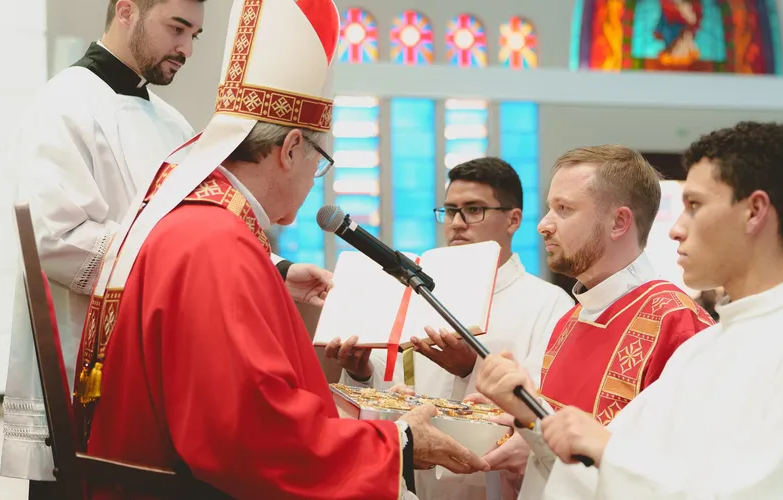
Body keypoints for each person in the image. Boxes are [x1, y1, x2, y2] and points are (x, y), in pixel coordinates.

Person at [69, 0, 487, 498]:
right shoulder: (215, 243)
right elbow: (250, 434)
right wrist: (396, 442)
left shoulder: (204, 223)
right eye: (320, 160)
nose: (316, 177)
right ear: (290, 150)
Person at [480, 121, 783, 499]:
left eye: (695, 205)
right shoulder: (705, 350)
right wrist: (536, 417)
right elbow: (608, 469)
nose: (675, 228)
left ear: (755, 212)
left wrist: (606, 451)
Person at [1, 0, 203, 487]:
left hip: (156, 366)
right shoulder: (64, 103)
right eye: (177, 28)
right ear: (127, 10)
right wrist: (169, 268)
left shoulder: (174, 124)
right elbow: (56, 238)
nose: (187, 48)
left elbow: (205, 229)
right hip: (82, 366)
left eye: (195, 34)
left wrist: (276, 270)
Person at [327, 157, 576, 500]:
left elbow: (547, 408)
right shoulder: (419, 292)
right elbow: (393, 396)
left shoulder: (548, 303)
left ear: (513, 220)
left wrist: (469, 371)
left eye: (474, 210)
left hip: (499, 485)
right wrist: (360, 374)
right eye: (450, 210)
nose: (457, 223)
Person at [476, 145, 714, 498]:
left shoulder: (678, 324)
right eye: (549, 207)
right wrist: (516, 418)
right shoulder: (569, 320)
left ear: (619, 222)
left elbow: (673, 474)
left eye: (564, 209)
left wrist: (531, 419)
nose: (543, 224)